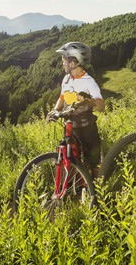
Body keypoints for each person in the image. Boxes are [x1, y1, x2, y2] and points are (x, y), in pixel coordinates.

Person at [47, 42, 105, 177]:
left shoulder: (88, 81)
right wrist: (55, 110)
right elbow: (62, 98)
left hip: (87, 128)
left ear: (73, 62)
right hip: (70, 128)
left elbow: (101, 107)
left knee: (92, 165)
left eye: (64, 60)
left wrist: (88, 99)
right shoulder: (66, 79)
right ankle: (76, 188)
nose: (62, 63)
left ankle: (95, 193)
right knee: (72, 160)